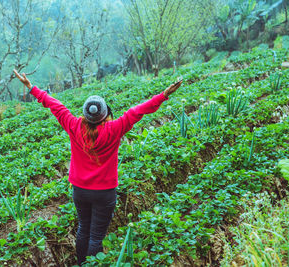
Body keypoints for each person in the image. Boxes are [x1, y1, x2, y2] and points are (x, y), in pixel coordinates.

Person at [13, 69, 182, 265]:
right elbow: (138, 111)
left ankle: (80, 264)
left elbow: (55, 106)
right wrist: (164, 95)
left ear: (85, 114)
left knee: (83, 229)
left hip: (80, 190)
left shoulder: (74, 125)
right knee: (96, 237)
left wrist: (31, 87)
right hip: (104, 192)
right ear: (105, 114)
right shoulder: (114, 128)